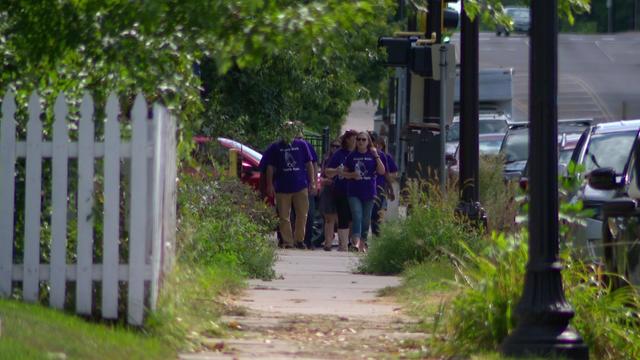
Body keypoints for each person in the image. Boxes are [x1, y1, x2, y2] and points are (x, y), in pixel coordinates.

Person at [265, 121, 316, 249]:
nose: (288, 132)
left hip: (300, 185)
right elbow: (270, 167)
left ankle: (299, 240)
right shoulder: (275, 147)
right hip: (282, 187)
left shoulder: (301, 144)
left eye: (290, 129)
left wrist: (312, 182)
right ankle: (288, 241)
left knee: (302, 214)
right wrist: (270, 184)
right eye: (285, 130)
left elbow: (309, 164)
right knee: (284, 216)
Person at [342, 132, 385, 252]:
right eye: (359, 139)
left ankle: (363, 243)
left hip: (369, 191)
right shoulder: (352, 155)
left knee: (366, 219)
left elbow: (382, 171)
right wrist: (351, 175)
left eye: (363, 140)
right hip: (354, 191)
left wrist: (376, 155)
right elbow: (342, 173)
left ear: (368, 142)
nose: (361, 142)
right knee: (357, 216)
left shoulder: (373, 155)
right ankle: (355, 243)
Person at [324, 130, 358, 251]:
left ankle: (354, 243)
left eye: (358, 139)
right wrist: (338, 171)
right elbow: (327, 171)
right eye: (354, 138)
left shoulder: (360, 154)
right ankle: (343, 245)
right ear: (347, 140)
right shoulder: (339, 154)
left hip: (357, 191)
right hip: (341, 189)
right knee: (343, 217)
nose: (356, 141)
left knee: (354, 217)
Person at [369, 132, 398, 237]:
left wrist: (390, 189)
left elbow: (389, 173)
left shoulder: (383, 156)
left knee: (376, 214)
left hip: (379, 188)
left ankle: (376, 235)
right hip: (366, 188)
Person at [318, 138, 342, 251]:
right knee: (328, 218)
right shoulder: (326, 159)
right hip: (328, 190)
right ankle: (328, 243)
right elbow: (322, 175)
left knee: (340, 218)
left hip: (340, 189)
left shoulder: (344, 157)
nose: (335, 148)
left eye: (338, 146)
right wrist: (323, 181)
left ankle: (343, 243)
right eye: (333, 146)